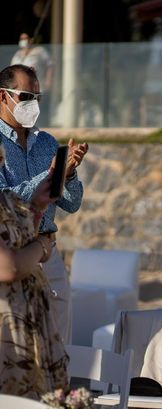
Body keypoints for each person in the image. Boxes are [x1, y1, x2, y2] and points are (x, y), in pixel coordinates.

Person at [0, 65, 88, 344]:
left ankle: (61, 390)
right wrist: (50, 175)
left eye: (37, 97)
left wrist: (69, 173)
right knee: (18, 347)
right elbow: (6, 202)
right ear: (3, 97)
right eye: (26, 96)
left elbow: (72, 205)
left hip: (49, 250)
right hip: (12, 255)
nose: (33, 104)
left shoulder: (47, 142)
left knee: (59, 342)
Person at [0, 143, 71, 409]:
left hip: (28, 331)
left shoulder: (7, 201)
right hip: (5, 338)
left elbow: (19, 235)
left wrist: (38, 208)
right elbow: (9, 266)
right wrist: (42, 246)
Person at [11, 33, 54, 125]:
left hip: (38, 88)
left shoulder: (39, 51)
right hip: (22, 90)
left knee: (39, 110)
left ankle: (42, 127)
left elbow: (50, 65)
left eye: (25, 38)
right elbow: (12, 70)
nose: (23, 41)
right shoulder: (17, 54)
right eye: (21, 38)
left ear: (30, 39)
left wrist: (48, 80)